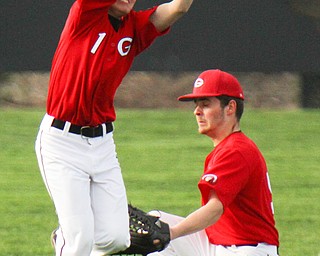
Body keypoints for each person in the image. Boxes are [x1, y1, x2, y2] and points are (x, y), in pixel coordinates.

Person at [34, 0, 193, 255]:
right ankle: (69, 237)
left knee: (117, 239)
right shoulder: (84, 14)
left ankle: (63, 235)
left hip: (102, 144)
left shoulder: (134, 29)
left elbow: (178, 8)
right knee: (80, 240)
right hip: (62, 142)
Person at [148, 69, 280, 256]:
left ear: (230, 108)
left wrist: (172, 233)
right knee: (155, 222)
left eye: (206, 104)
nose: (197, 111)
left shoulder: (235, 150)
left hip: (246, 250)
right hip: (221, 245)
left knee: (164, 234)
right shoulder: (228, 147)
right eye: (196, 104)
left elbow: (214, 210)